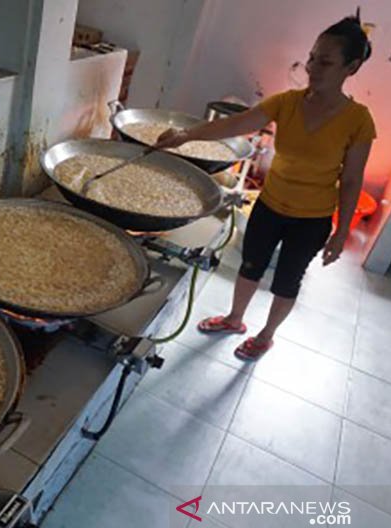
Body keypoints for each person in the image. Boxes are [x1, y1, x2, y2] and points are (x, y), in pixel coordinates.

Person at [156, 11, 376, 361]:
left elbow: (351, 181)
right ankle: (234, 319)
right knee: (250, 265)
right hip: (270, 204)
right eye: (312, 58)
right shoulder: (286, 103)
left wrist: (341, 231)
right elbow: (234, 125)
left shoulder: (359, 121)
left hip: (313, 218)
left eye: (326, 62)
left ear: (351, 68)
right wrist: (184, 135)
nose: (312, 68)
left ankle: (266, 335)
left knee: (288, 280)